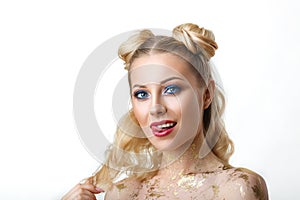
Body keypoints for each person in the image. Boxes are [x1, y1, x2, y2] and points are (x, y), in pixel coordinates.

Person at [62, 23, 269, 199]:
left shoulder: (236, 188)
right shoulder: (123, 193)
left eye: (171, 89)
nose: (155, 108)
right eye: (142, 94)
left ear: (206, 95)